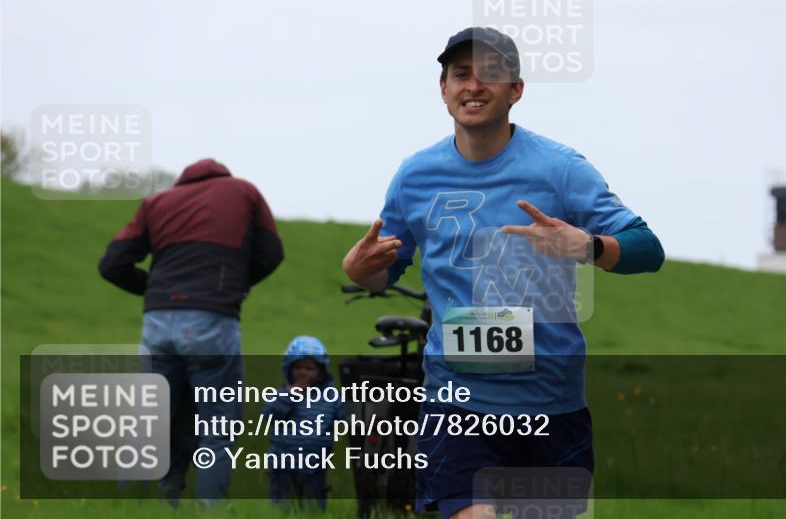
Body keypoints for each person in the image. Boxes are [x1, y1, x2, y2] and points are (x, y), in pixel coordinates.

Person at [342, 27, 665, 519]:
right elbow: (382, 272)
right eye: (460, 74)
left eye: (490, 75)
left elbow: (649, 248)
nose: (473, 85)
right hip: (455, 404)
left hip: (551, 404)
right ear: (443, 89)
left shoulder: (561, 169)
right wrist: (359, 270)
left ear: (516, 90)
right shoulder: (414, 177)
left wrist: (588, 246)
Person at [98, 158, 284, 503]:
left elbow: (112, 264)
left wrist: (155, 288)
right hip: (212, 321)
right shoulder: (244, 192)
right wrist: (232, 286)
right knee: (217, 428)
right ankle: (210, 508)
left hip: (158, 323)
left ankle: (128, 507)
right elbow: (272, 253)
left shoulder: (156, 202)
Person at [264, 335, 346, 511]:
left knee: (313, 506)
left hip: (315, 463)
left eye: (310, 368)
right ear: (288, 369)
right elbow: (269, 416)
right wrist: (289, 396)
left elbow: (346, 418)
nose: (303, 372)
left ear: (321, 372)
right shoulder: (282, 394)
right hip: (282, 463)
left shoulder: (331, 397)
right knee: (281, 505)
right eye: (297, 367)